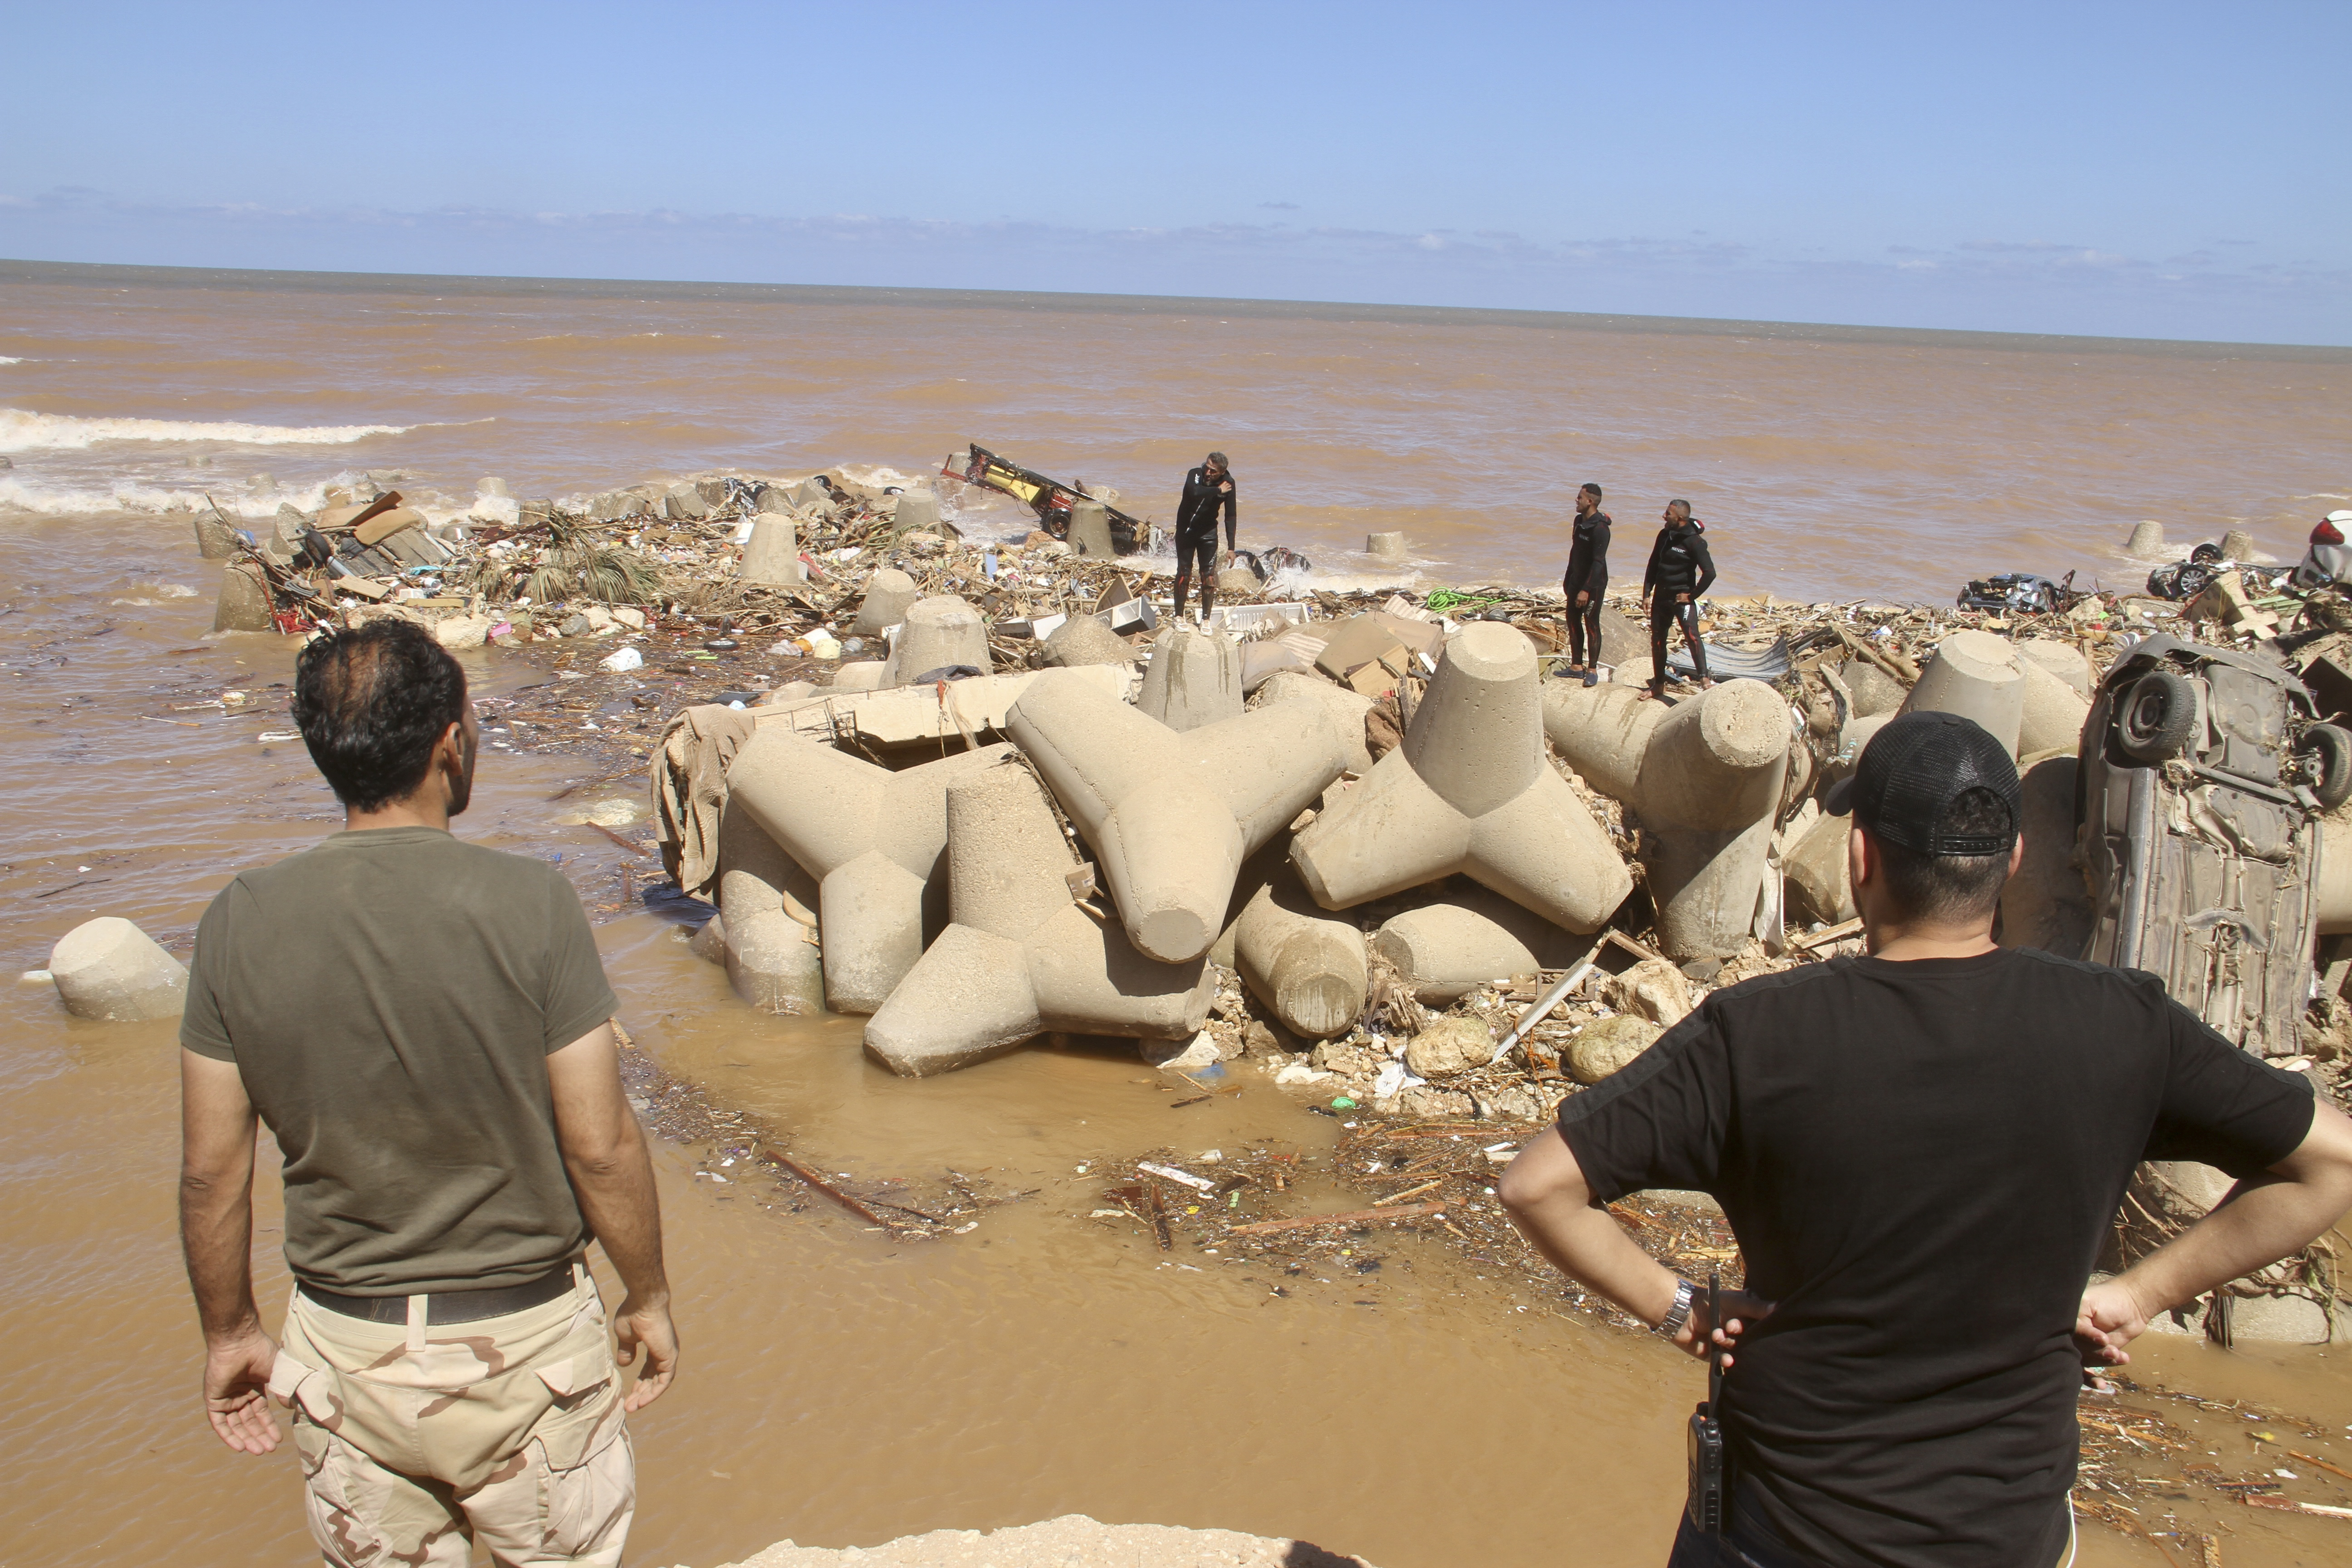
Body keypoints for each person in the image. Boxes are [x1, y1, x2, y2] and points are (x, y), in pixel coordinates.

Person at [1500, 710, 2352, 1568]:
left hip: (1784, 1531)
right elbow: (2328, 1163)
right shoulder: (2121, 1022)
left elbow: (1536, 1184)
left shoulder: (1756, 1034)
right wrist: (2138, 1294)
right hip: (2007, 1535)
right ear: (2010, 862)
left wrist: (1679, 1306)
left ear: (1859, 857)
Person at [179, 618, 678, 1568]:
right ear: (452, 744)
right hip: (527, 1349)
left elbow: (212, 1174)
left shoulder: (237, 920)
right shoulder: (532, 904)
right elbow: (601, 1143)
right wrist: (647, 1295)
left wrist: (231, 1330)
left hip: (345, 1351)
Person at [1641, 499, 1716, 699]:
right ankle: (1658, 686)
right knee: (1658, 641)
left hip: (1681, 599)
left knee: (1692, 637)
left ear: (1680, 519)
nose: (1664, 516)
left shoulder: (1695, 542)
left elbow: (1710, 573)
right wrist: (1647, 594)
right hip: (1661, 599)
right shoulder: (1665, 535)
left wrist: (1691, 596)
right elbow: (1653, 564)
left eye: (1668, 514)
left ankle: (1704, 680)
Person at [1173, 450, 1237, 621]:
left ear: (1222, 472)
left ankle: (1206, 620)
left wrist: (1231, 547)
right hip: (1186, 531)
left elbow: (1230, 515)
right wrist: (1217, 490)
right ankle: (1179, 617)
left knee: (1209, 576)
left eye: (1213, 471)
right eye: (1207, 467)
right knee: (1184, 573)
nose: (1208, 473)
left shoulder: (1229, 484)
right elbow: (1193, 492)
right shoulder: (1195, 474)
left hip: (1208, 534)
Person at [1562, 482, 1612, 687]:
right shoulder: (1578, 521)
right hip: (1576, 580)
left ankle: (1592, 670)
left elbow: (1598, 562)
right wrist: (1568, 579)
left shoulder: (1601, 529)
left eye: (1580, 497)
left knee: (1591, 624)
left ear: (1590, 502)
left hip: (1594, 585)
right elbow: (1575, 552)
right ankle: (1576, 667)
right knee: (1572, 620)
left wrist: (1586, 590)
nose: (1577, 500)